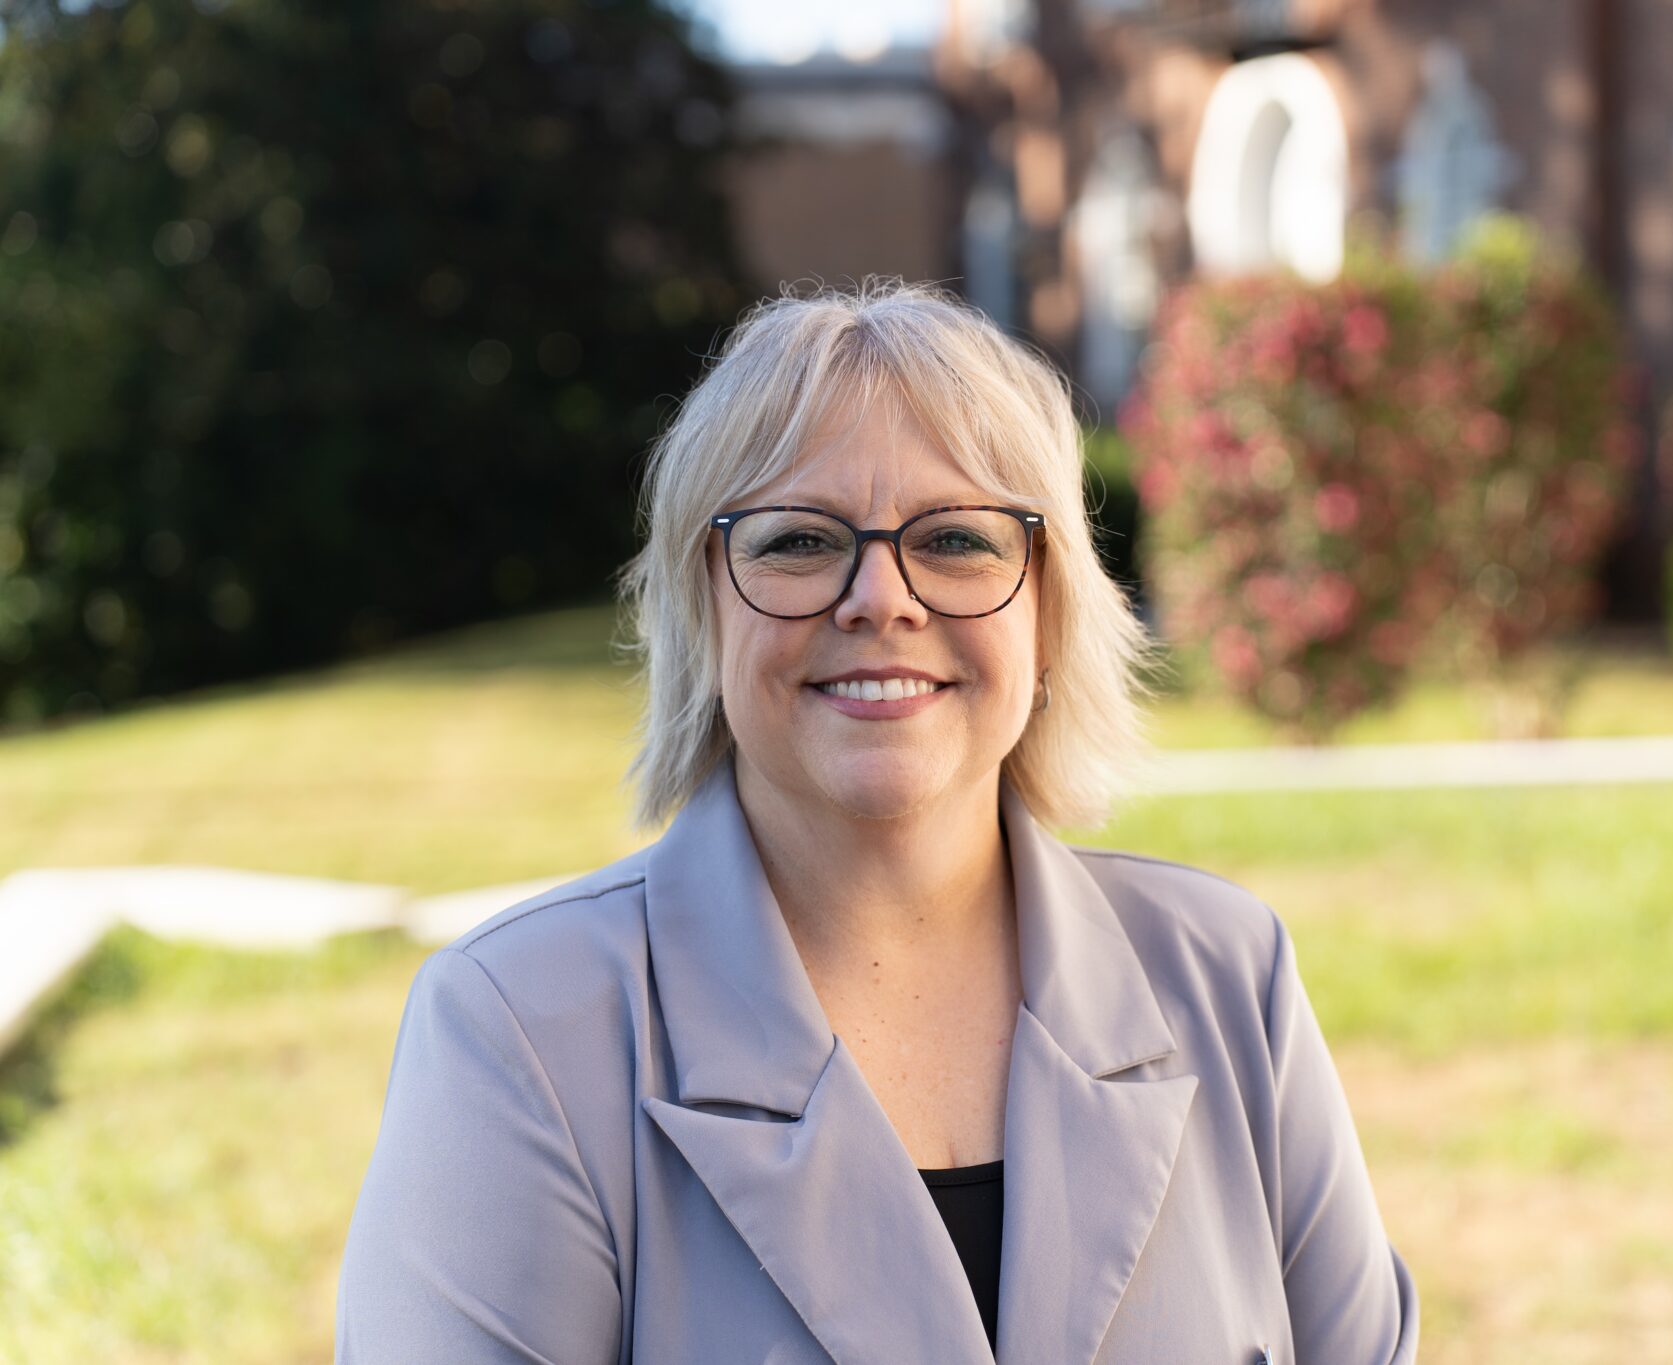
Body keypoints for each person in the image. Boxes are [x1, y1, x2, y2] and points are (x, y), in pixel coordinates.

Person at [333, 278, 1418, 1363]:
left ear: (1048, 611)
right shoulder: (518, 1030)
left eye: (954, 539)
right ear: (701, 608)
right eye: (799, 541)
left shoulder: (1228, 977)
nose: (880, 598)